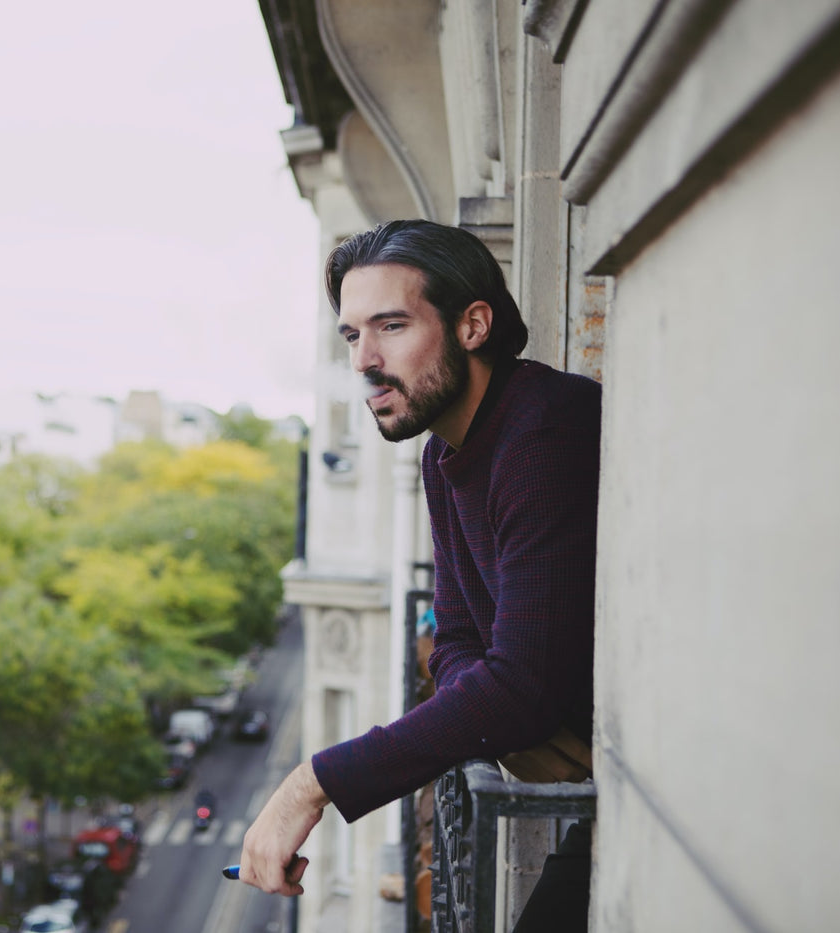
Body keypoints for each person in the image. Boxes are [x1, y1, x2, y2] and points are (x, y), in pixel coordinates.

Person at [237, 219, 600, 931]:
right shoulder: (445, 453)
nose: (366, 361)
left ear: (473, 324)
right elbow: (460, 633)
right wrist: (492, 711)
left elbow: (521, 685)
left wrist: (311, 784)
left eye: (392, 326)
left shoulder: (540, 431)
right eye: (350, 336)